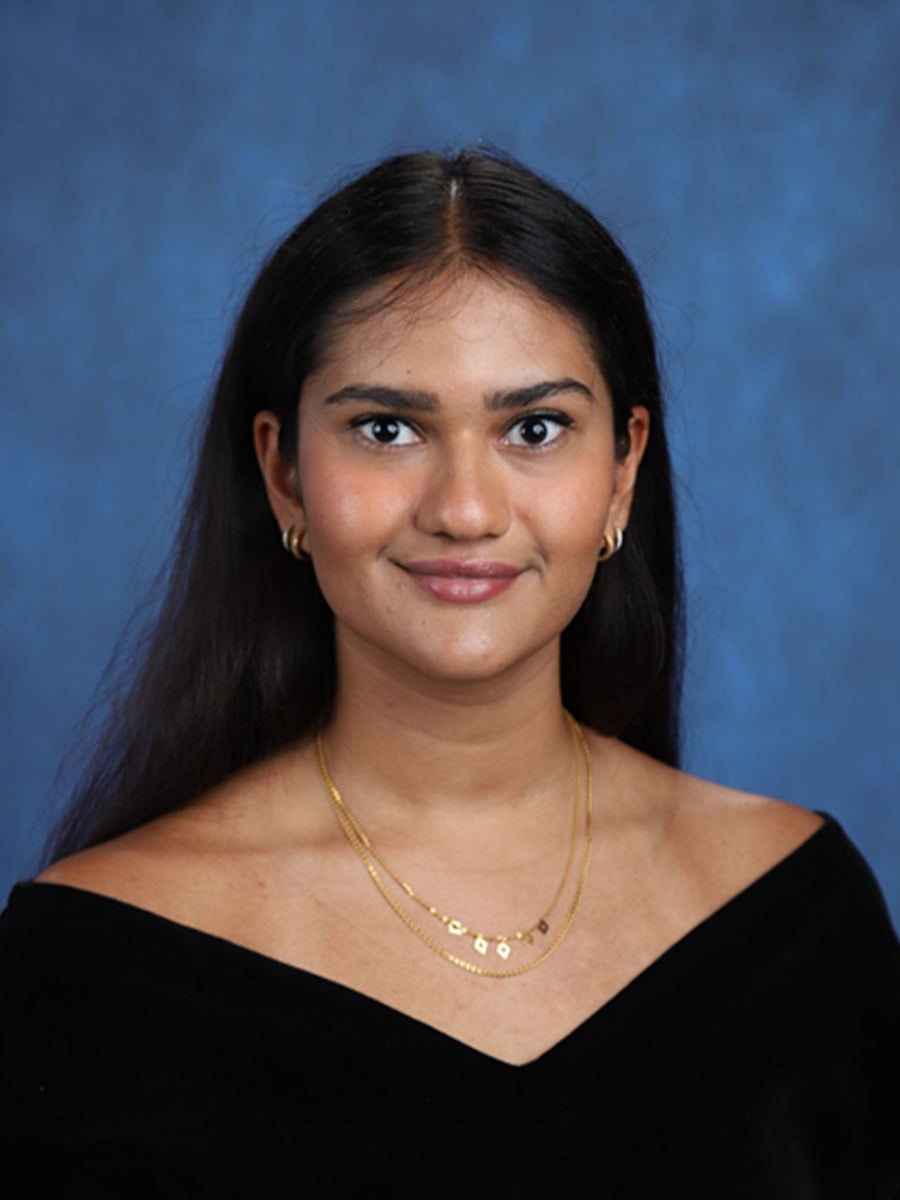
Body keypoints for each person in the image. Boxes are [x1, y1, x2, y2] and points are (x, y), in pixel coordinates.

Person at [1, 148, 898, 1198]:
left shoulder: (796, 917)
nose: (464, 510)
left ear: (622, 471)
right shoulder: (91, 964)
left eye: (534, 428)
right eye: (388, 429)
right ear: (285, 474)